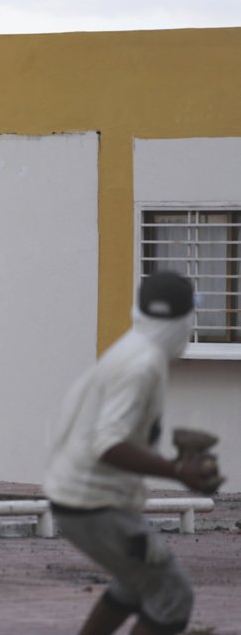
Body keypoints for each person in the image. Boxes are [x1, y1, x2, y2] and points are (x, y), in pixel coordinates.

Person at [43, 271, 223, 635]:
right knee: (173, 596)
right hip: (92, 504)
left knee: (135, 583)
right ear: (184, 319)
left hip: (77, 498)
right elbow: (107, 444)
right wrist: (178, 471)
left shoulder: (135, 348)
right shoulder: (142, 365)